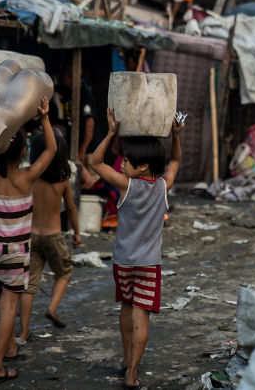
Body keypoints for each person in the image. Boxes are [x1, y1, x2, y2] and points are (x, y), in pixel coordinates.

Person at [88, 107, 184, 390]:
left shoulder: (127, 186)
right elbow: (176, 159)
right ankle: (132, 371)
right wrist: (175, 136)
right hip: (149, 264)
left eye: (127, 161)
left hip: (123, 262)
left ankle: (126, 358)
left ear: (142, 167)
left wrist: (111, 133)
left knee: (126, 308)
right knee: (141, 314)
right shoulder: (163, 186)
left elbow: (94, 161)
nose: (121, 164)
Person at [0, 97, 57, 384]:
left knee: (2, 301)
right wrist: (45, 118)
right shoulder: (26, 179)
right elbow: (50, 149)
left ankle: (10, 345)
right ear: (23, 150)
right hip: (15, 253)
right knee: (8, 309)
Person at [17, 130, 80, 343]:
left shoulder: (29, 177)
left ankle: (23, 331)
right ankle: (52, 308)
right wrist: (77, 233)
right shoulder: (62, 180)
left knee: (29, 285)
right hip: (53, 235)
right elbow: (70, 208)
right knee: (64, 272)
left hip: (31, 236)